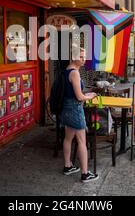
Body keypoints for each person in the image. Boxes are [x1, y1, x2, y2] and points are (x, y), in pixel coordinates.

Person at [60, 47, 99, 183]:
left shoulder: (66, 70)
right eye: (81, 57)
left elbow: (73, 93)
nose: (84, 59)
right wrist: (90, 96)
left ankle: (68, 166)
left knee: (68, 138)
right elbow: (79, 96)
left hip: (66, 107)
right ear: (74, 57)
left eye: (84, 56)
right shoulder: (75, 73)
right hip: (75, 108)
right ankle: (85, 173)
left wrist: (84, 95)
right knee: (82, 141)